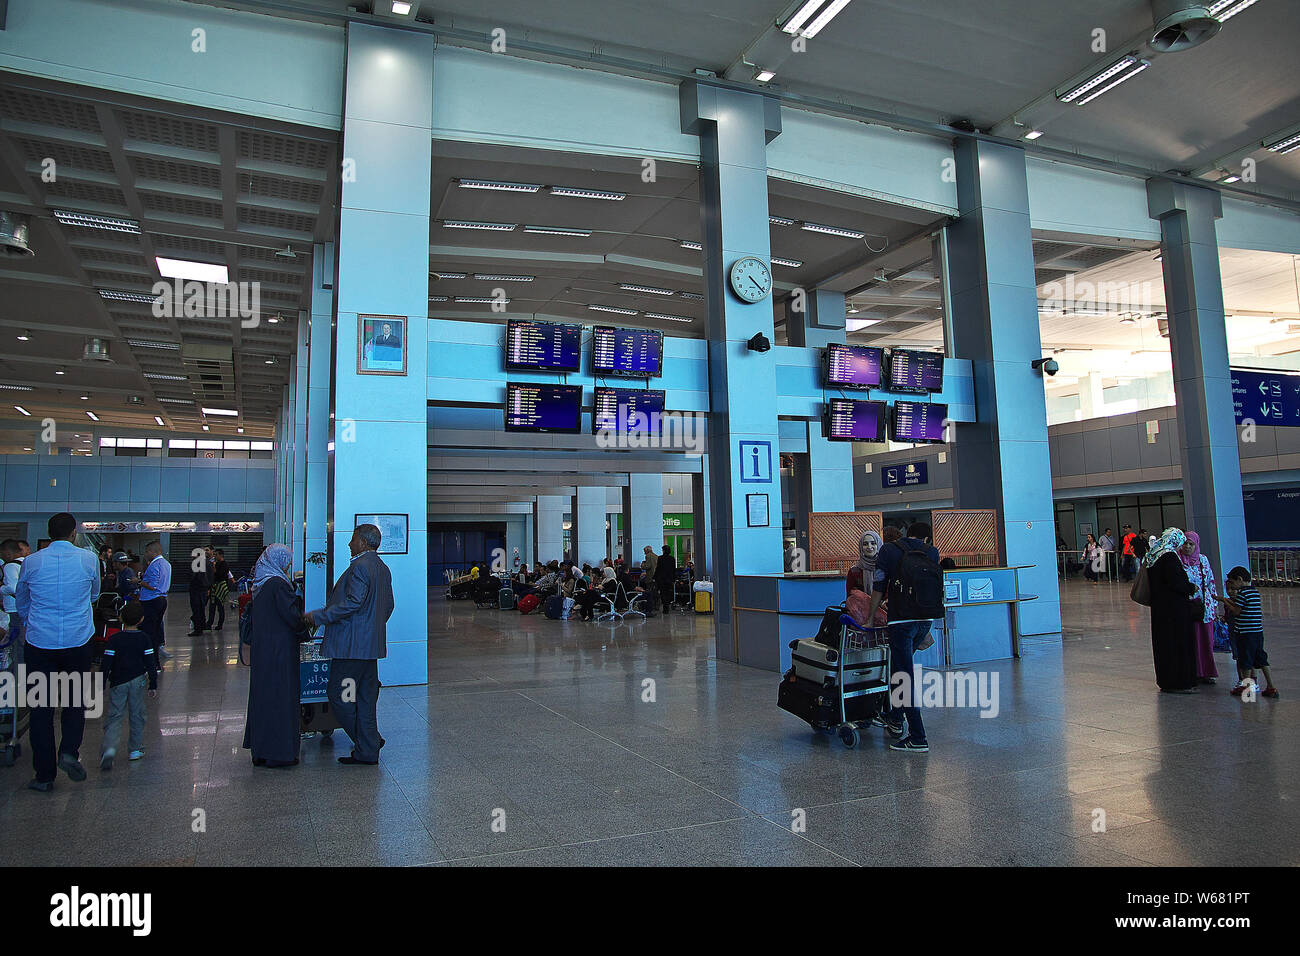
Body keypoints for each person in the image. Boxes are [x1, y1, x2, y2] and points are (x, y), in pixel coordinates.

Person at [16, 512, 101, 791]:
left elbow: (22, 600)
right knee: (75, 701)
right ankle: (68, 751)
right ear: (73, 533)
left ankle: (44, 776)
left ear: (48, 533)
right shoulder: (89, 559)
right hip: (78, 642)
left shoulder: (31, 561)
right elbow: (94, 595)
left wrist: (34, 622)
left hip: (40, 644)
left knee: (41, 708)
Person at [305, 524, 394, 766]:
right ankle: (368, 749)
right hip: (369, 647)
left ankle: (369, 742)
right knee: (365, 697)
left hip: (351, 647)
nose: (349, 544)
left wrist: (319, 616)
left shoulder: (359, 567)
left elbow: (353, 603)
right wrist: (371, 629)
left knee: (339, 694)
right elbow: (388, 606)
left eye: (353, 539)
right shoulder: (382, 568)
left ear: (363, 542)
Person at [867, 521, 939, 753]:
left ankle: (918, 736)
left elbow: (879, 584)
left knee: (902, 676)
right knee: (900, 670)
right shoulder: (932, 552)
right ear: (924, 538)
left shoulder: (888, 550)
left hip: (901, 621)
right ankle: (895, 718)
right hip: (925, 620)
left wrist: (870, 617)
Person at [243, 544, 309, 768]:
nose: (289, 565)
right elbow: (292, 616)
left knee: (263, 697)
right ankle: (279, 752)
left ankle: (260, 749)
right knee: (280, 698)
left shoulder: (261, 582)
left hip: (264, 649)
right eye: (288, 561)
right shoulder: (278, 584)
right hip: (280, 651)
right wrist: (306, 628)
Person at [98, 600, 158, 770]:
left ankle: (109, 749)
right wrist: (153, 684)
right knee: (137, 714)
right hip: (138, 681)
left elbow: (106, 663)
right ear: (141, 620)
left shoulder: (114, 639)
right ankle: (135, 749)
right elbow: (150, 663)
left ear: (121, 618)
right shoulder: (144, 639)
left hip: (118, 681)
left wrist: (101, 683)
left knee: (115, 716)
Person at [1143, 529, 1199, 694]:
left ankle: (1166, 680)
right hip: (1175, 611)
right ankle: (1179, 681)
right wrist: (1190, 587)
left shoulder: (1154, 555)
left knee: (1164, 645)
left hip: (1160, 610)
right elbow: (1176, 583)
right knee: (1177, 644)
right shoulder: (1169, 557)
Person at [1221, 566, 1278, 699]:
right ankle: (1271, 686)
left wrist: (1224, 601)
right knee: (1261, 659)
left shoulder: (1242, 593)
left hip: (1245, 633)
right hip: (1257, 632)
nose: (1233, 587)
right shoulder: (1254, 592)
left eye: (1233, 583)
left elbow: (1236, 611)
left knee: (1245, 660)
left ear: (1240, 580)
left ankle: (1247, 687)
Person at [1179, 531, 1219, 685]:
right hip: (1187, 607)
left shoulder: (1202, 560)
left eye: (1191, 544)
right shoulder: (1178, 560)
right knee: (1191, 641)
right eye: (1185, 543)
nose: (1188, 547)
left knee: (1206, 641)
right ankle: (1194, 671)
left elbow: (1210, 582)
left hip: (1204, 608)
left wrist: (1215, 606)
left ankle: (1207, 672)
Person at [138, 541, 172, 661]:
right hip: (162, 599)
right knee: (157, 629)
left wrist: (139, 582)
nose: (146, 554)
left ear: (154, 551)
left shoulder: (154, 565)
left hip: (151, 600)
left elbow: (152, 585)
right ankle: (156, 657)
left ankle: (151, 659)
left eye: (147, 551)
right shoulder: (167, 564)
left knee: (149, 631)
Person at [1, 538, 26, 657]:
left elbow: (13, 588)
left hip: (14, 608)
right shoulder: (27, 563)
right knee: (23, 639)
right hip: (25, 607)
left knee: (15, 642)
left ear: (7, 553)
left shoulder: (10, 566)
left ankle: (18, 670)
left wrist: (1, 589)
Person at [846, 529, 881, 599]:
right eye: (865, 544)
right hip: (861, 609)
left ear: (879, 544)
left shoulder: (886, 568)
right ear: (861, 547)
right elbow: (850, 598)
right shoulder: (854, 571)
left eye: (873, 543)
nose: (869, 547)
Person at [186, 548, 213, 637]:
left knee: (196, 609)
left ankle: (198, 629)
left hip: (196, 589)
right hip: (205, 589)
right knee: (202, 609)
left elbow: (192, 576)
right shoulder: (209, 562)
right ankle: (202, 625)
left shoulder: (196, 563)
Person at [207, 548, 232, 631]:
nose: (214, 556)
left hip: (220, 587)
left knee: (220, 607)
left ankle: (220, 624)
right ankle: (209, 623)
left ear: (221, 555)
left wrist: (214, 568)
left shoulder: (224, 564)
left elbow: (220, 575)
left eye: (216, 554)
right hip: (214, 587)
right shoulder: (216, 564)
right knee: (212, 607)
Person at [654, 544, 676, 611]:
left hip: (661, 578)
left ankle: (665, 606)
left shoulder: (660, 558)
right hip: (669, 578)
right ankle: (667, 605)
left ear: (663, 551)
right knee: (668, 592)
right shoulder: (672, 559)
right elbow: (673, 569)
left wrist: (654, 577)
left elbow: (658, 568)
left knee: (662, 592)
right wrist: (674, 578)